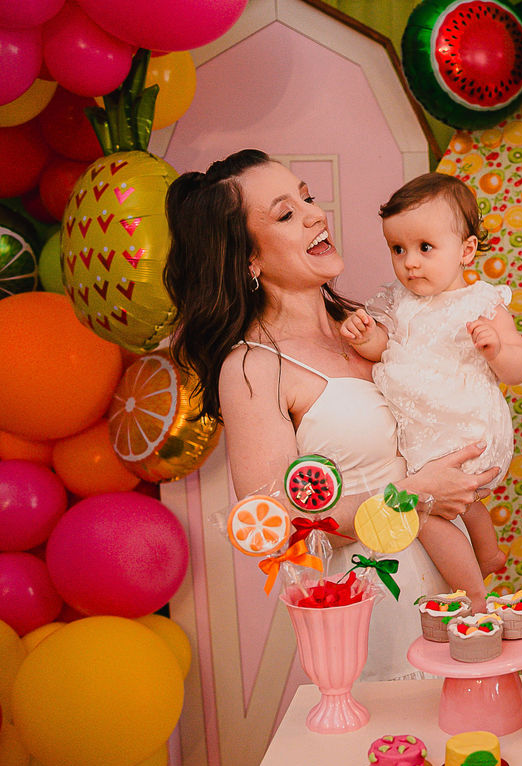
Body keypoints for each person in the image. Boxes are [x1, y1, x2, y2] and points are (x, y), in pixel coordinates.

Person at [164, 149, 499, 680]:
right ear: (247, 258)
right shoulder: (253, 368)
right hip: (381, 602)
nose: (315, 214)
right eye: (285, 214)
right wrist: (410, 494)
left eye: (307, 197)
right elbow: (279, 527)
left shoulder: (372, 323)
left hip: (455, 580)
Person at [338, 172, 522, 610]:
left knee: (424, 515)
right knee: (456, 503)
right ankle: (488, 552)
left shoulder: (480, 302)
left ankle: (475, 597)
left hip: (464, 429)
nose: (410, 263)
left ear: (466, 251)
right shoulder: (398, 301)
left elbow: (521, 366)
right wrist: (361, 335)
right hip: (423, 428)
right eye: (398, 249)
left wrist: (498, 349)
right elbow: (382, 347)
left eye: (425, 248)